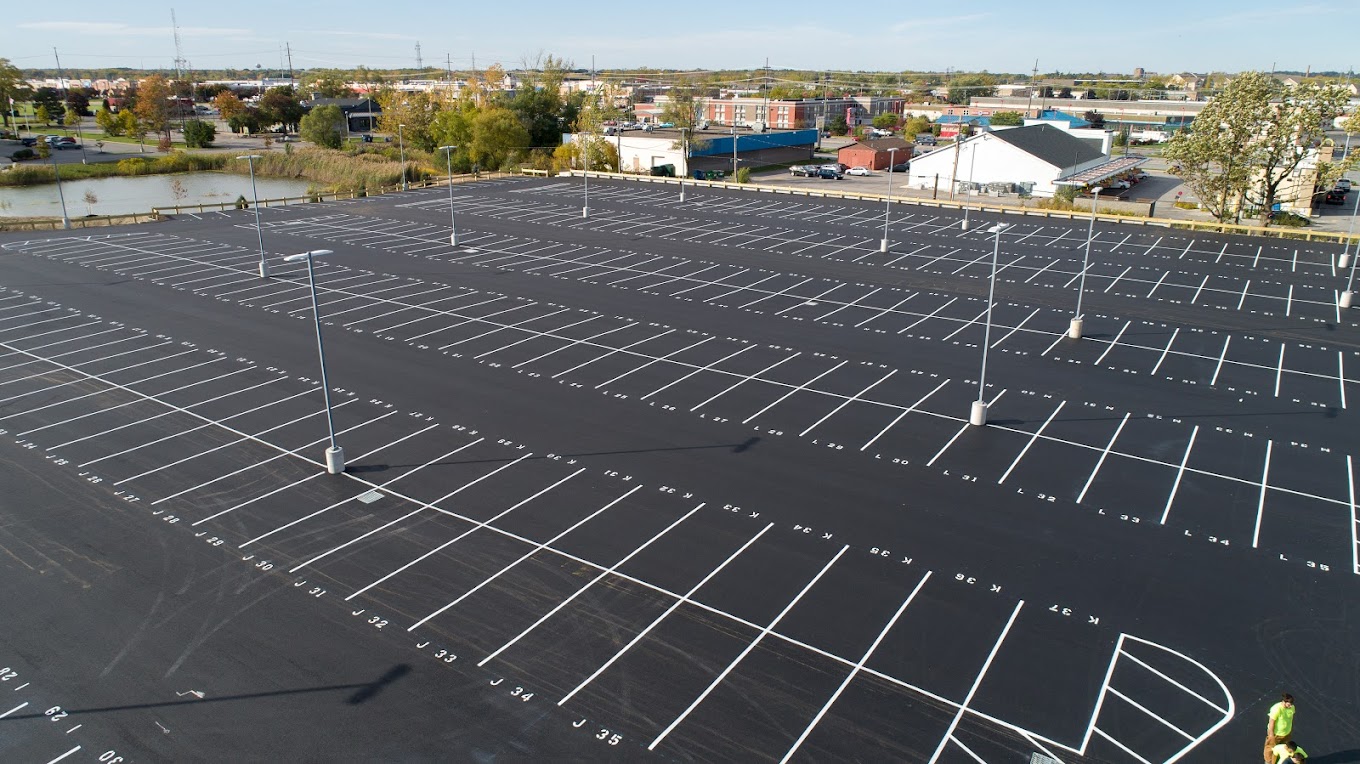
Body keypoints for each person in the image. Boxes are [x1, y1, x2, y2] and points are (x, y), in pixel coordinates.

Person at [1264, 693, 1296, 764]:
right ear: (1283, 702)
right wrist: (1271, 734)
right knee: (1270, 748)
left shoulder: (1292, 707)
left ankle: (1278, 757)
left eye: (1291, 703)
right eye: (1289, 704)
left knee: (1284, 746)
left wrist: (1289, 730)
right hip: (1276, 734)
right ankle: (1268, 761)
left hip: (1286, 733)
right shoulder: (1276, 708)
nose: (1290, 705)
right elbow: (1272, 721)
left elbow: (1290, 719)